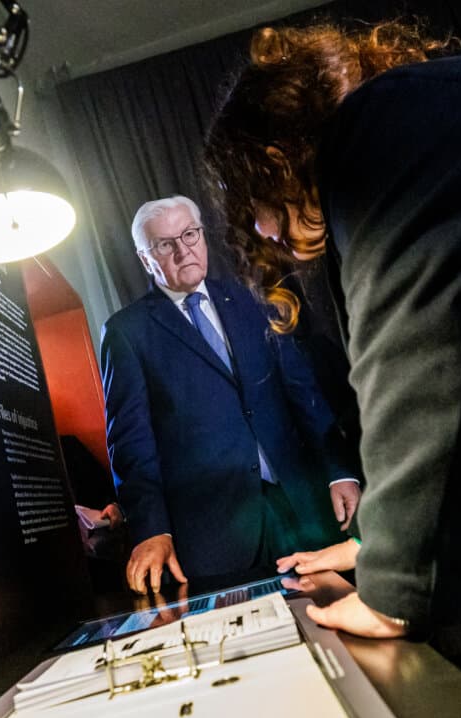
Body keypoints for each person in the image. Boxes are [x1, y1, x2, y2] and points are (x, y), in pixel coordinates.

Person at [201, 21, 461, 689]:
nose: (263, 235)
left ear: (270, 157)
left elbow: (427, 361)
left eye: (252, 212)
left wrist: (392, 590)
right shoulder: (431, 112)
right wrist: (370, 545)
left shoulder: (388, 119)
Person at [100, 194, 361, 594]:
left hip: (300, 506)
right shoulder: (126, 332)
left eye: (190, 234)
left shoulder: (251, 298)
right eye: (165, 244)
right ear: (144, 258)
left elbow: (301, 390)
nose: (183, 250)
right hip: (214, 537)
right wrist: (152, 529)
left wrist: (338, 469)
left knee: (337, 621)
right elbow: (131, 443)